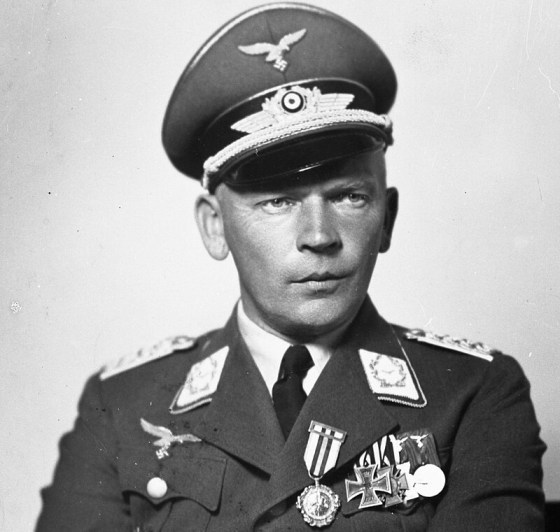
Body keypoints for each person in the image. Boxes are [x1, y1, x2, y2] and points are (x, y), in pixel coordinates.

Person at [36, 3, 546, 531]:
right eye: (278, 201)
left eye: (349, 196)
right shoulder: (121, 406)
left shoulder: (474, 393)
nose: (319, 236)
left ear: (387, 219)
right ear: (215, 227)